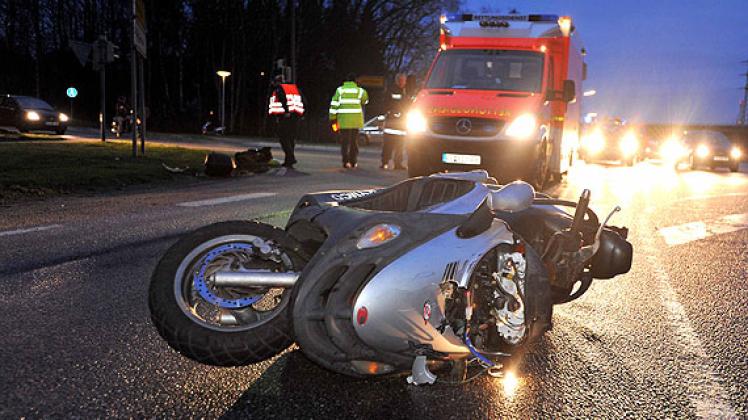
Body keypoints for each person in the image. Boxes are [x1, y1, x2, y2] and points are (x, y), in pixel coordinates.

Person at [329, 73, 368, 169]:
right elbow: (365, 101)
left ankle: (345, 161)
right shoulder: (360, 91)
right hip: (356, 121)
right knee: (354, 141)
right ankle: (353, 161)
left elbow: (334, 105)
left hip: (343, 121)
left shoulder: (340, 90)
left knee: (345, 142)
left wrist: (332, 118)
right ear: (355, 81)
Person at [268, 74, 305, 168]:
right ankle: (288, 161)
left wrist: (286, 111)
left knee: (283, 138)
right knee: (291, 138)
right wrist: (302, 114)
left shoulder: (280, 89)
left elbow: (282, 99)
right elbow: (304, 101)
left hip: (285, 118)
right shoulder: (295, 89)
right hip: (296, 117)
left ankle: (290, 158)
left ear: (278, 82)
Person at [381, 73, 409, 170]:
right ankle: (384, 162)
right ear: (397, 81)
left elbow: (407, 106)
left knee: (400, 146)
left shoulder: (405, 92)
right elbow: (386, 104)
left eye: (404, 81)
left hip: (401, 124)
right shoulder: (392, 91)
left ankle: (398, 163)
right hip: (392, 123)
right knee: (388, 145)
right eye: (401, 80)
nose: (403, 82)